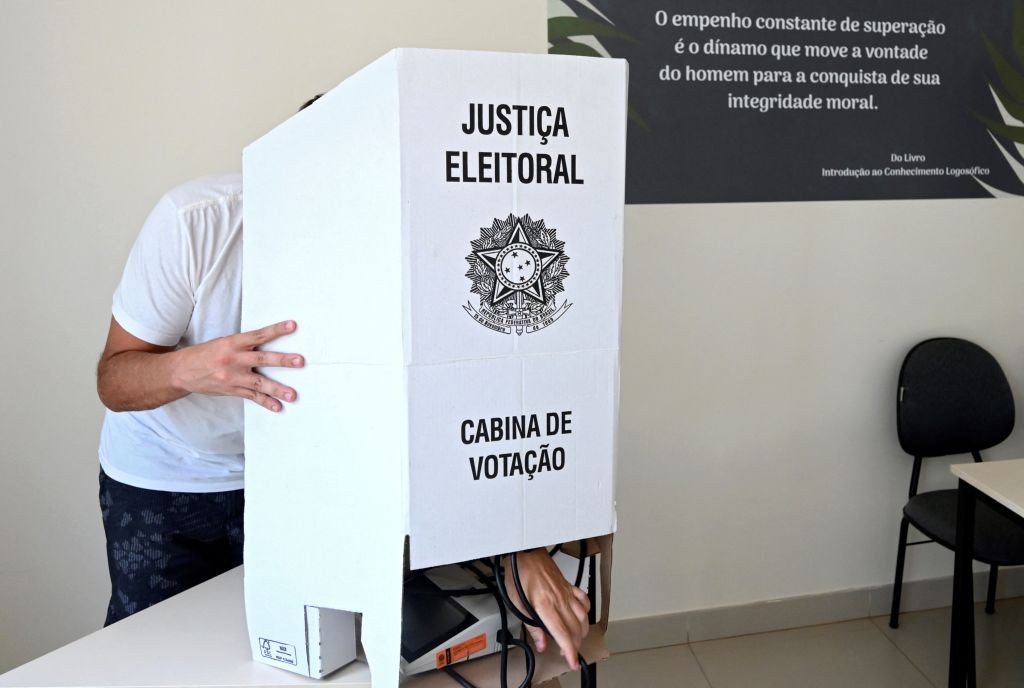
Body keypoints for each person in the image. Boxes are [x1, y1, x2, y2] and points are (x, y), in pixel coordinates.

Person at [96, 125, 589, 673]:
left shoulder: (405, 246)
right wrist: (188, 368)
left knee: (288, 660)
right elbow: (113, 381)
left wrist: (518, 547)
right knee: (150, 659)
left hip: (298, 476)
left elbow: (446, 401)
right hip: (165, 477)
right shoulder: (196, 222)